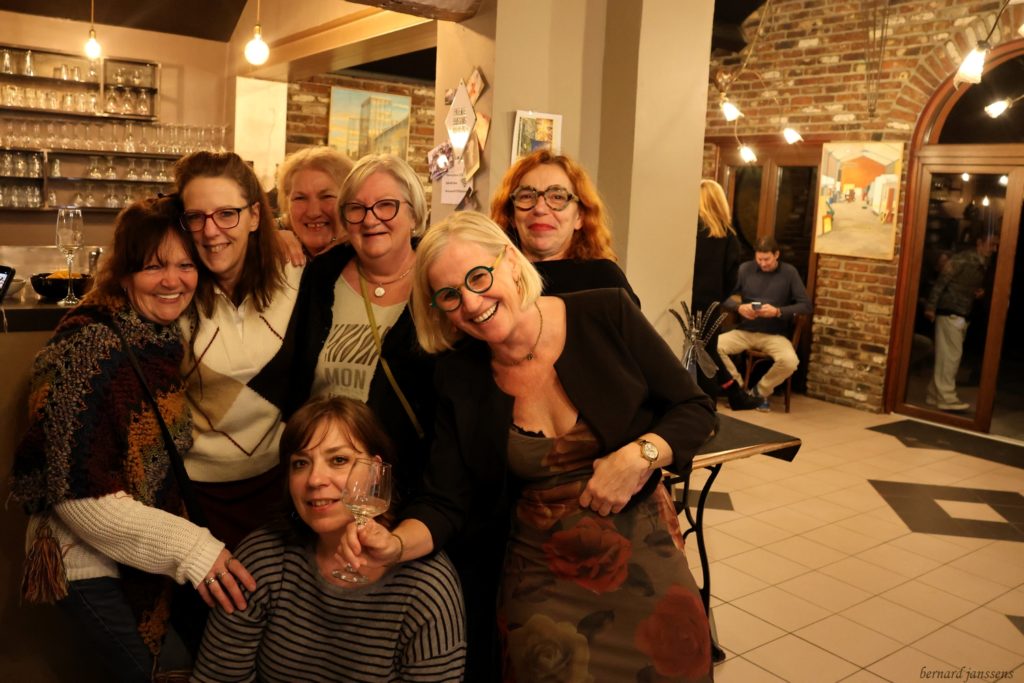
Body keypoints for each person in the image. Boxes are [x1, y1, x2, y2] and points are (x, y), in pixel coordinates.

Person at [343, 211, 717, 681]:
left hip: (648, 566)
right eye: (450, 295)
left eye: (478, 277)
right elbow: (445, 501)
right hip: (541, 590)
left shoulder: (607, 311)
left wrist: (640, 454)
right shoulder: (459, 375)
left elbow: (695, 408)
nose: (472, 302)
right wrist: (394, 545)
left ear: (511, 261)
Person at [10, 196, 254, 683]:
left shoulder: (157, 339)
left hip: (133, 560)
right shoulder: (88, 348)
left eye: (186, 265)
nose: (172, 281)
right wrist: (195, 550)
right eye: (153, 266)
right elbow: (78, 495)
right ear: (124, 273)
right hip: (84, 562)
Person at [191, 396, 466, 682]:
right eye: (300, 463)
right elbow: (217, 678)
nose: (314, 479)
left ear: (376, 472)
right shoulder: (263, 557)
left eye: (338, 460)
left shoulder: (426, 585)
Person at [175, 152, 304, 551]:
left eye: (227, 214)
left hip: (280, 485)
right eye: (196, 217)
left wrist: (285, 233)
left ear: (254, 216)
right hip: (192, 493)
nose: (210, 231)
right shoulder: (172, 290)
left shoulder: (297, 275)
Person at [290, 154, 434, 501]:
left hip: (406, 481)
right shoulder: (321, 276)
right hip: (322, 478)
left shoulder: (437, 281)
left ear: (414, 213)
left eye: (386, 206)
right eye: (357, 208)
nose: (370, 219)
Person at [490, 149, 638, 302]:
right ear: (511, 215)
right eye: (526, 196)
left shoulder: (605, 281)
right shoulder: (490, 278)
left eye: (557, 197)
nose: (540, 209)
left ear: (580, 217)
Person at [717, 235, 813, 411]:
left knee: (790, 361)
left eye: (767, 259)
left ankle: (758, 393)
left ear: (776, 255)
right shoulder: (745, 269)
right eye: (759, 259)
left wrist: (777, 311)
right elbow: (722, 295)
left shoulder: (789, 273)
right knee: (713, 347)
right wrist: (739, 307)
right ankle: (738, 390)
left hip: (775, 335)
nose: (763, 263)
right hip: (745, 330)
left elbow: (806, 306)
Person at [694, 179, 761, 410]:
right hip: (711, 305)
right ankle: (722, 400)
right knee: (707, 353)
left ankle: (728, 396)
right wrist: (717, 296)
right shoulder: (728, 236)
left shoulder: (690, 231)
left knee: (700, 354)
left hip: (687, 301)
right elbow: (731, 279)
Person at [923, 231, 998, 411]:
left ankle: (934, 393)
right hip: (951, 311)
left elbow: (965, 284)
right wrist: (930, 307)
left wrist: (979, 291)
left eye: (996, 245)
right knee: (951, 357)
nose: (994, 249)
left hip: (962, 312)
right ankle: (946, 398)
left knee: (948, 355)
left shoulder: (984, 262)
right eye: (991, 244)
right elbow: (942, 282)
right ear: (979, 242)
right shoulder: (963, 259)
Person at [276, 146, 354, 258]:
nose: (313, 212)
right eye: (300, 198)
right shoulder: (275, 249)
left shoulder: (365, 258)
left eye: (326, 197)